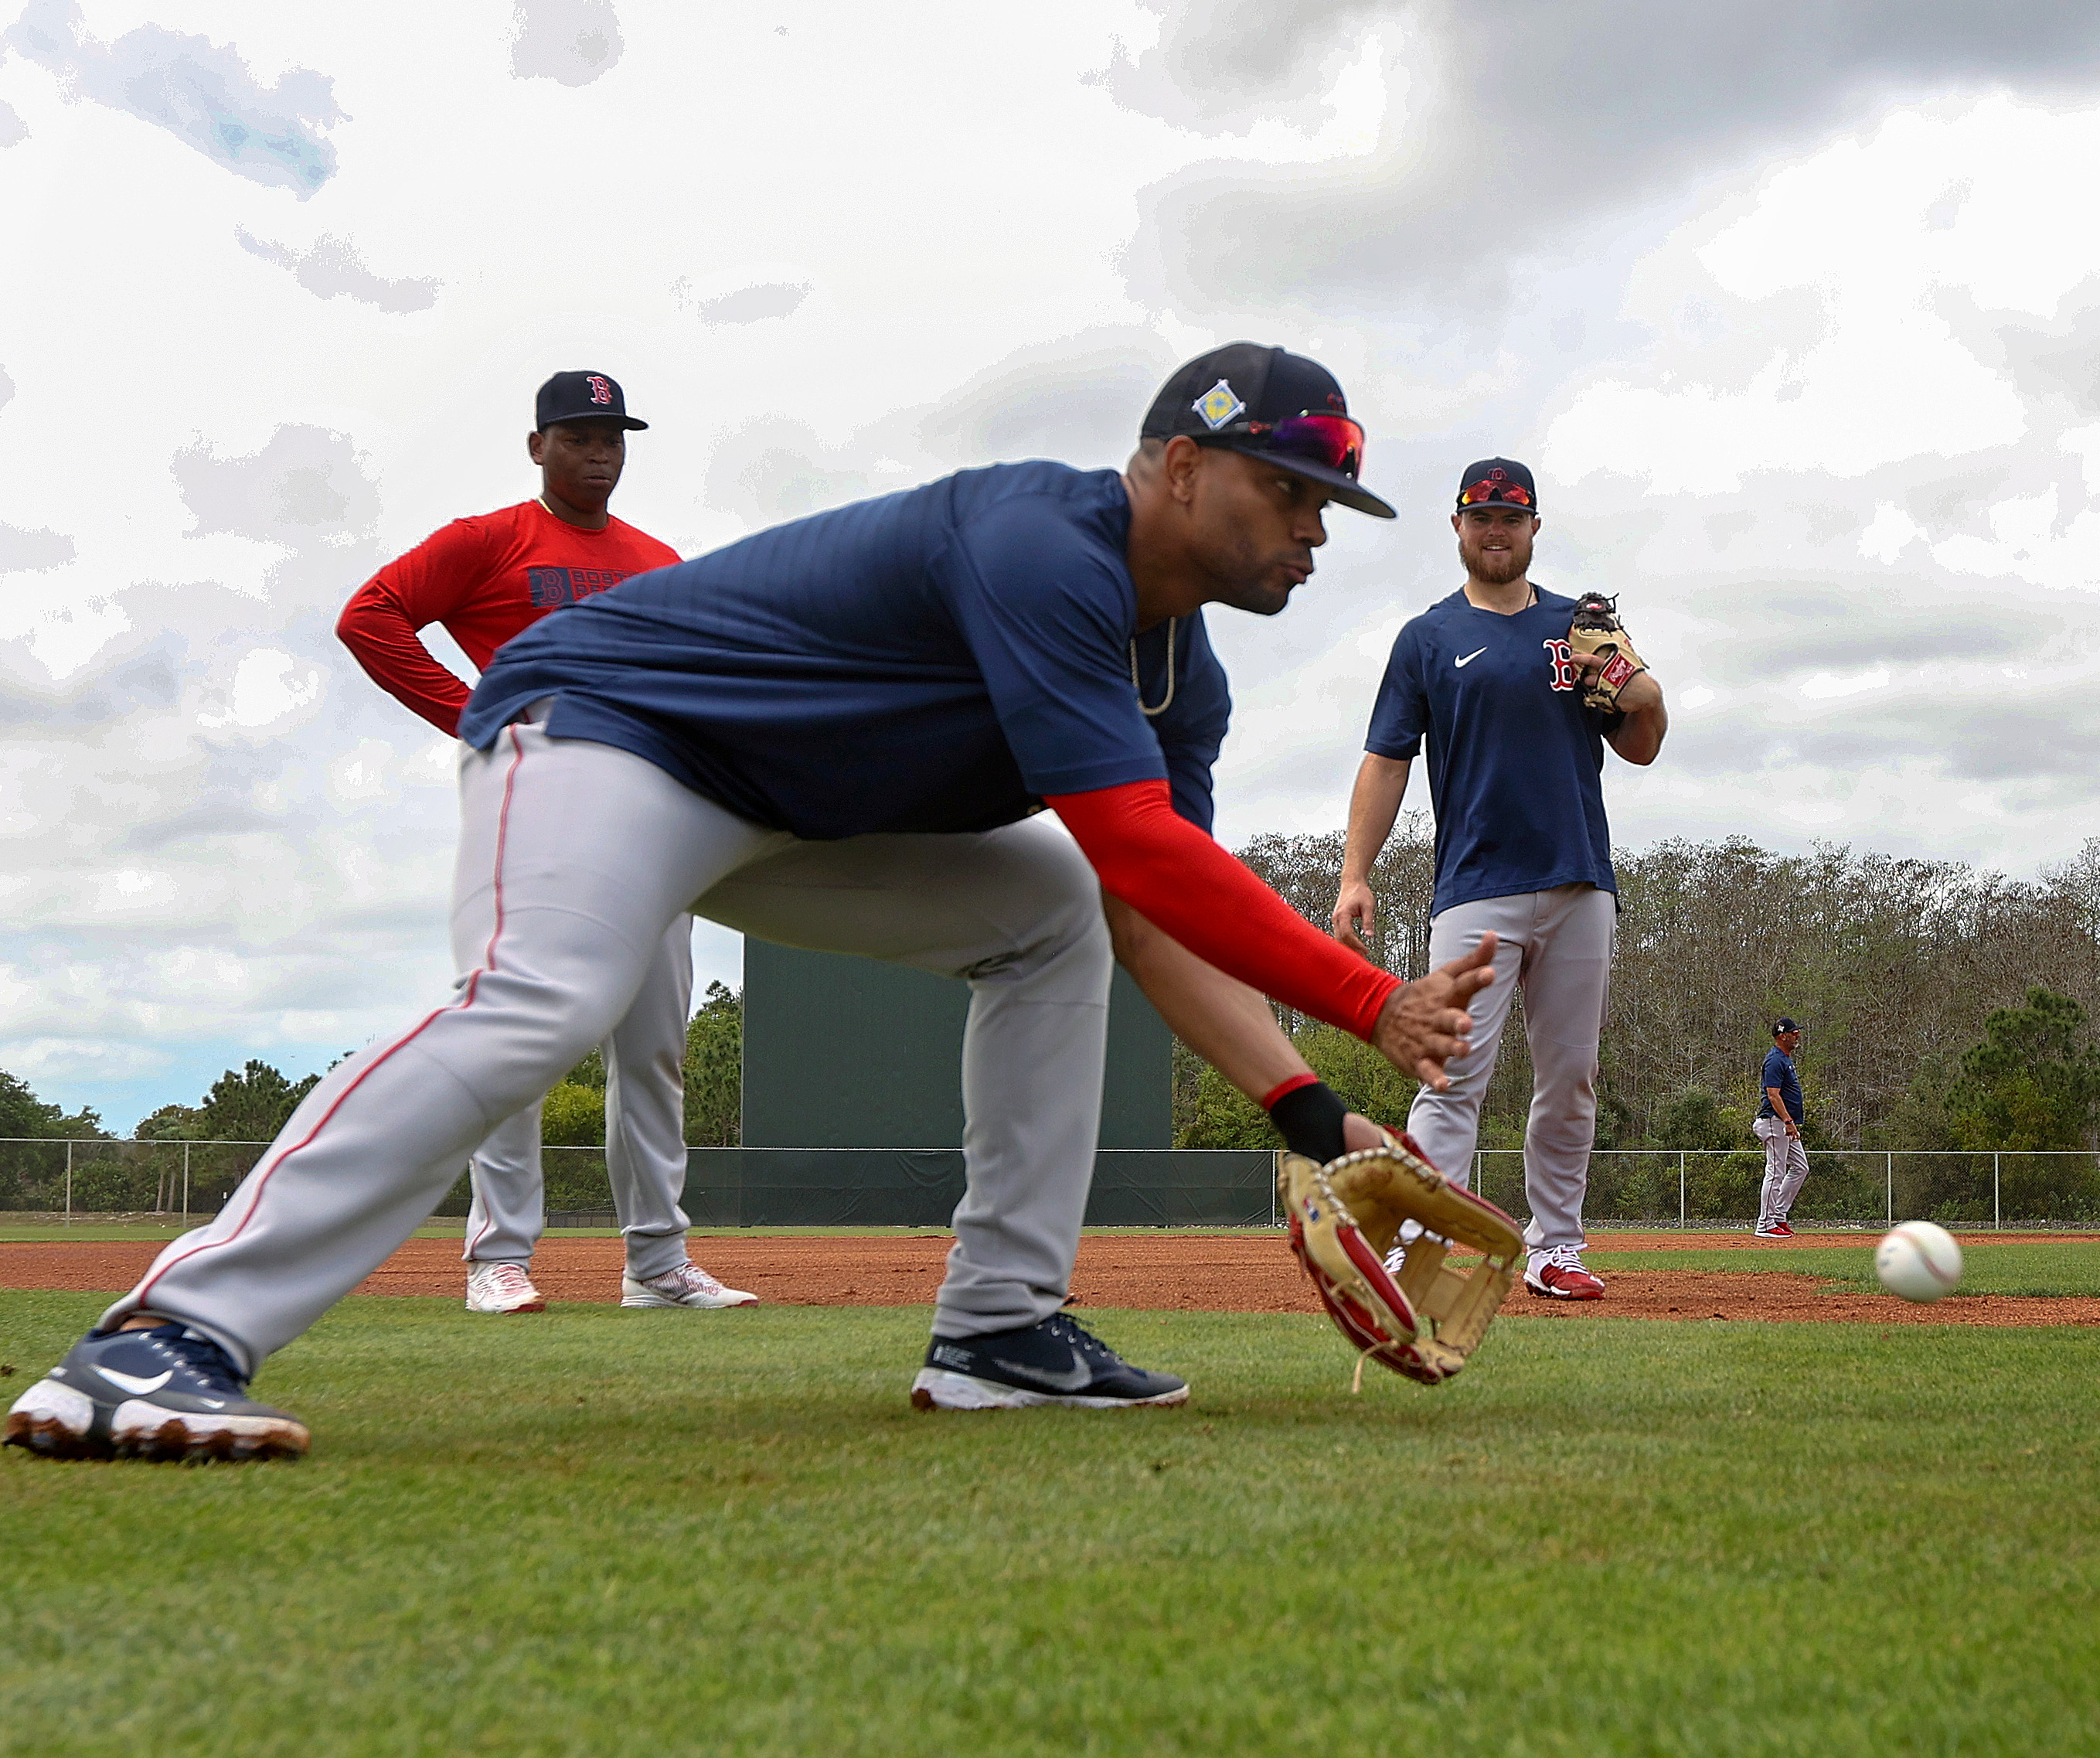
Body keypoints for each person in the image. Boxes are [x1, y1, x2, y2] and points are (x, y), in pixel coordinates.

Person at [9, 342, 1492, 1463]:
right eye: (1284, 489)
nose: (1311, 527)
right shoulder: (1045, 541)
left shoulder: (1182, 673)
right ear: (1176, 464)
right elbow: (1148, 848)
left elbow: (1150, 907)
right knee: (546, 993)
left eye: (1326, 505)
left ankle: (997, 1330)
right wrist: (1370, 1002)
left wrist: (1311, 1116)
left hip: (783, 813)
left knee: (1047, 907)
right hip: (611, 730)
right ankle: (161, 1337)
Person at [335, 370, 753, 1317]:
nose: (598, 451)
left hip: (652, 810)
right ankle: (500, 1255)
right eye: (576, 435)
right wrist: (479, 714)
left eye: (612, 437)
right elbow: (371, 617)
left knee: (653, 1046)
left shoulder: (656, 557)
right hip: (539, 804)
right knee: (520, 1033)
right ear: (538, 446)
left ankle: (656, 1262)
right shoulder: (488, 540)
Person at [1331, 458, 1669, 1301]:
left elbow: (1640, 744)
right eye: (1480, 515)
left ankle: (1555, 1245)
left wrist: (1643, 692)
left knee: (1570, 1075)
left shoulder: (1575, 628)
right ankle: (1420, 1242)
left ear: (1532, 527)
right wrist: (1354, 872)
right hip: (1474, 885)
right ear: (1456, 526)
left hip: (1578, 877)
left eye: (1510, 516)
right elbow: (1385, 760)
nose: (1495, 528)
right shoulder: (1427, 637)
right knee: (1448, 1073)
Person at [1754, 1018, 1809, 1238]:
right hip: (1775, 1121)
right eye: (1794, 1032)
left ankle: (1778, 1215)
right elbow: (1773, 1094)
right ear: (1782, 1036)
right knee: (1776, 1171)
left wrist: (1790, 1122)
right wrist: (1787, 1121)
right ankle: (1765, 1224)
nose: (1798, 1036)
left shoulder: (1785, 1060)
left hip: (1785, 1123)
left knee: (1800, 1167)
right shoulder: (1775, 1060)